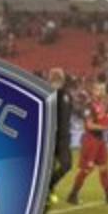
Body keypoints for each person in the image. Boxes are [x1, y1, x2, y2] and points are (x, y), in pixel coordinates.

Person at [67, 82, 108, 206]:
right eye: (98, 89)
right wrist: (106, 127)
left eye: (103, 89)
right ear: (93, 91)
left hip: (100, 140)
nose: (101, 91)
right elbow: (89, 125)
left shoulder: (103, 105)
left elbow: (104, 119)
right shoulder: (89, 106)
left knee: (104, 169)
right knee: (87, 169)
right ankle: (73, 194)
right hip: (91, 140)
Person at [47, 68, 74, 204]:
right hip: (49, 138)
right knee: (48, 167)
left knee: (67, 165)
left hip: (63, 138)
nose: (57, 80)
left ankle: (48, 186)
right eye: (55, 77)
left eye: (59, 77)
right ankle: (46, 191)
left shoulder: (67, 95)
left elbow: (69, 113)